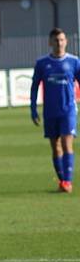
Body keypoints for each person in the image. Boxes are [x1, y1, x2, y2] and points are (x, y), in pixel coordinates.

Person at [30, 27, 80, 193]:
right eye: (56, 40)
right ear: (50, 42)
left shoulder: (74, 61)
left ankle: (67, 181)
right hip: (50, 112)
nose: (59, 43)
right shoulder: (42, 63)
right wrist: (33, 108)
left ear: (66, 41)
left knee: (67, 145)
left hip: (68, 110)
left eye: (62, 40)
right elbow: (35, 85)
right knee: (55, 148)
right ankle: (62, 180)